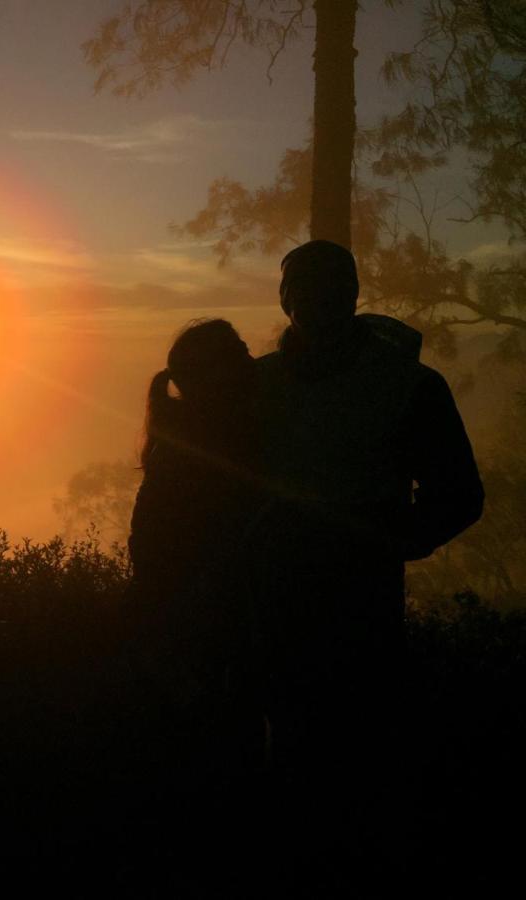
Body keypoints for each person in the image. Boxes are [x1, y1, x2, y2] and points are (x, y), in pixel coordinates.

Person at [253, 239, 484, 875]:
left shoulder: (404, 387)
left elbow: (459, 495)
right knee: (302, 763)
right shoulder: (261, 387)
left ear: (353, 296)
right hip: (277, 614)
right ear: (286, 299)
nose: (317, 301)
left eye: (330, 287)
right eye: (306, 287)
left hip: (357, 616)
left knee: (352, 765)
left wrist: (381, 541)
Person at [125, 318, 266, 874]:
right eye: (236, 352)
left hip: (188, 643)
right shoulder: (206, 447)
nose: (249, 359)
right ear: (211, 377)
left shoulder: (187, 437)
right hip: (202, 645)